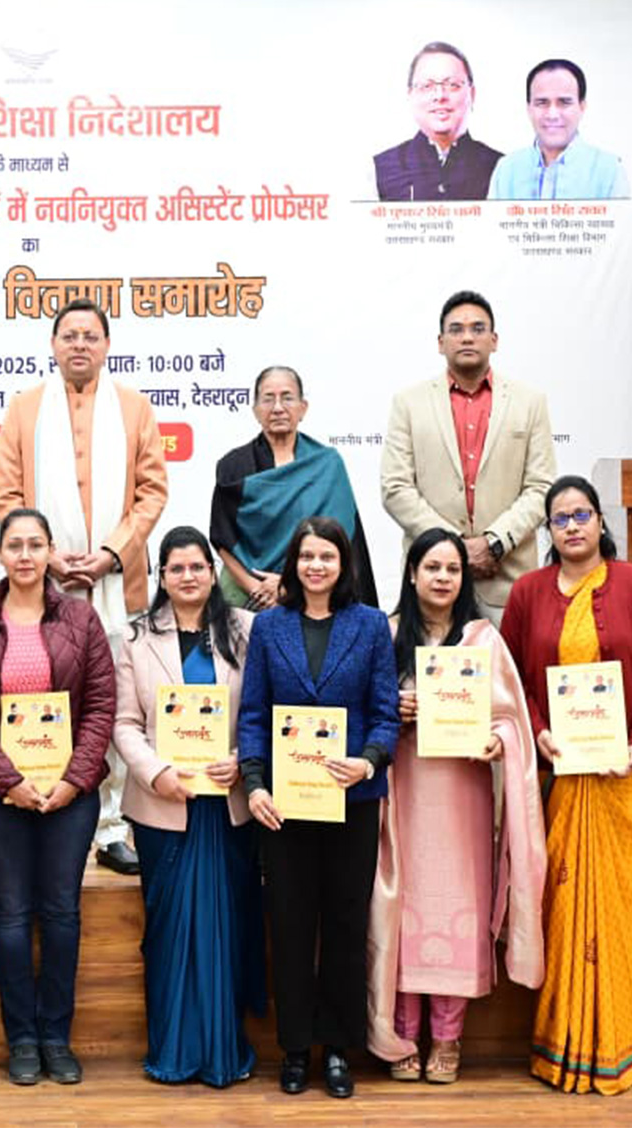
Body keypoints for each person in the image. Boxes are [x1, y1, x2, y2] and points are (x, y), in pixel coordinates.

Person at [499, 476, 632, 1094]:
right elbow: (517, 679)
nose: (571, 526)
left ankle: (619, 1042)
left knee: (620, 912)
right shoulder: (527, 593)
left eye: (582, 514)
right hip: (563, 781)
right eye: (559, 518)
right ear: (547, 532)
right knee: (565, 905)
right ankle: (563, 1043)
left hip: (623, 776)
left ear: (602, 522)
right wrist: (541, 731)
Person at [0, 297, 168, 876]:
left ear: (107, 345)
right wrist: (48, 557)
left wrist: (110, 553)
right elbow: (6, 494)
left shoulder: (135, 408)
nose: (80, 345)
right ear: (53, 345)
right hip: (42, 586)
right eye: (69, 336)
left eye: (91, 336)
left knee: (112, 705)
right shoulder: (24, 409)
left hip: (116, 581)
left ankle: (114, 825)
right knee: (46, 696)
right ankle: (40, 798)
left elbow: (152, 492)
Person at [366, 529, 546, 1084]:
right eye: (432, 567)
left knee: (454, 905)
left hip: (462, 795)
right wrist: (393, 708)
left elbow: (510, 718)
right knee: (402, 902)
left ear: (463, 578)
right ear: (412, 573)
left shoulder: (482, 640)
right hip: (405, 788)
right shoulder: (387, 634)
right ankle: (400, 1034)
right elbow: (359, 710)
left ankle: (447, 1037)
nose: (442, 578)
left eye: (451, 569)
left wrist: (498, 742)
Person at [0, 508, 116, 1085]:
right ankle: (21, 1038)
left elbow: (100, 704)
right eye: (14, 545)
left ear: (50, 553)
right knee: (13, 915)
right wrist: (9, 782)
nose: (24, 555)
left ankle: (56, 1036)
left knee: (63, 914)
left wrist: (73, 778)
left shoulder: (81, 619)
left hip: (70, 793)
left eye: (35, 544)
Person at [236, 516, 399, 1098]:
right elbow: (253, 714)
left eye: (326, 556)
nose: (316, 566)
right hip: (283, 805)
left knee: (346, 925)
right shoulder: (269, 628)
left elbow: (384, 714)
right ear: (293, 563)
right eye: (306, 556)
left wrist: (371, 760)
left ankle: (337, 1049)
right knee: (291, 925)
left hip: (352, 800)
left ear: (343, 563)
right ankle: (296, 1048)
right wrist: (253, 782)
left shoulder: (372, 626)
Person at [112, 527, 264, 1087]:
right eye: (176, 569)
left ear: (211, 571)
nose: (188, 577)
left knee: (226, 926)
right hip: (164, 807)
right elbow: (126, 724)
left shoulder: (248, 631)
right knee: (170, 929)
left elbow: (263, 709)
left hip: (227, 805)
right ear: (162, 578)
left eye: (198, 566)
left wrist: (241, 758)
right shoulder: (134, 639)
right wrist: (157, 773)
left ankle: (225, 1050)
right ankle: (173, 1050)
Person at [381, 289, 556, 620]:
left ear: (494, 339)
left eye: (477, 329)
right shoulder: (409, 403)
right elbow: (395, 488)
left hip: (507, 582)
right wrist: (455, 546)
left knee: (508, 672)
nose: (467, 337)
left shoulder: (529, 402)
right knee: (426, 672)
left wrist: (494, 542)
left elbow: (541, 486)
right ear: (440, 342)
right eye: (456, 329)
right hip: (431, 578)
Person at [210, 365, 378, 611]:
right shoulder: (234, 466)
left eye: (287, 398)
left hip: (316, 591)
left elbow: (342, 541)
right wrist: (256, 589)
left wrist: (289, 586)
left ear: (303, 408)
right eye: (268, 399)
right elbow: (223, 539)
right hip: (249, 594)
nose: (278, 408)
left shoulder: (326, 464)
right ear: (256, 410)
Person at [374, 41, 502, 201]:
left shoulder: (502, 168)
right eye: (427, 86)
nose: (440, 95)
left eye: (452, 85)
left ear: (472, 94)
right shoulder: (381, 168)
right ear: (410, 95)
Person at [488, 59, 630, 200]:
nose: (552, 115)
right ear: (529, 108)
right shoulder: (506, 170)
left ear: (582, 107)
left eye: (564, 103)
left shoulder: (610, 171)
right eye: (542, 103)